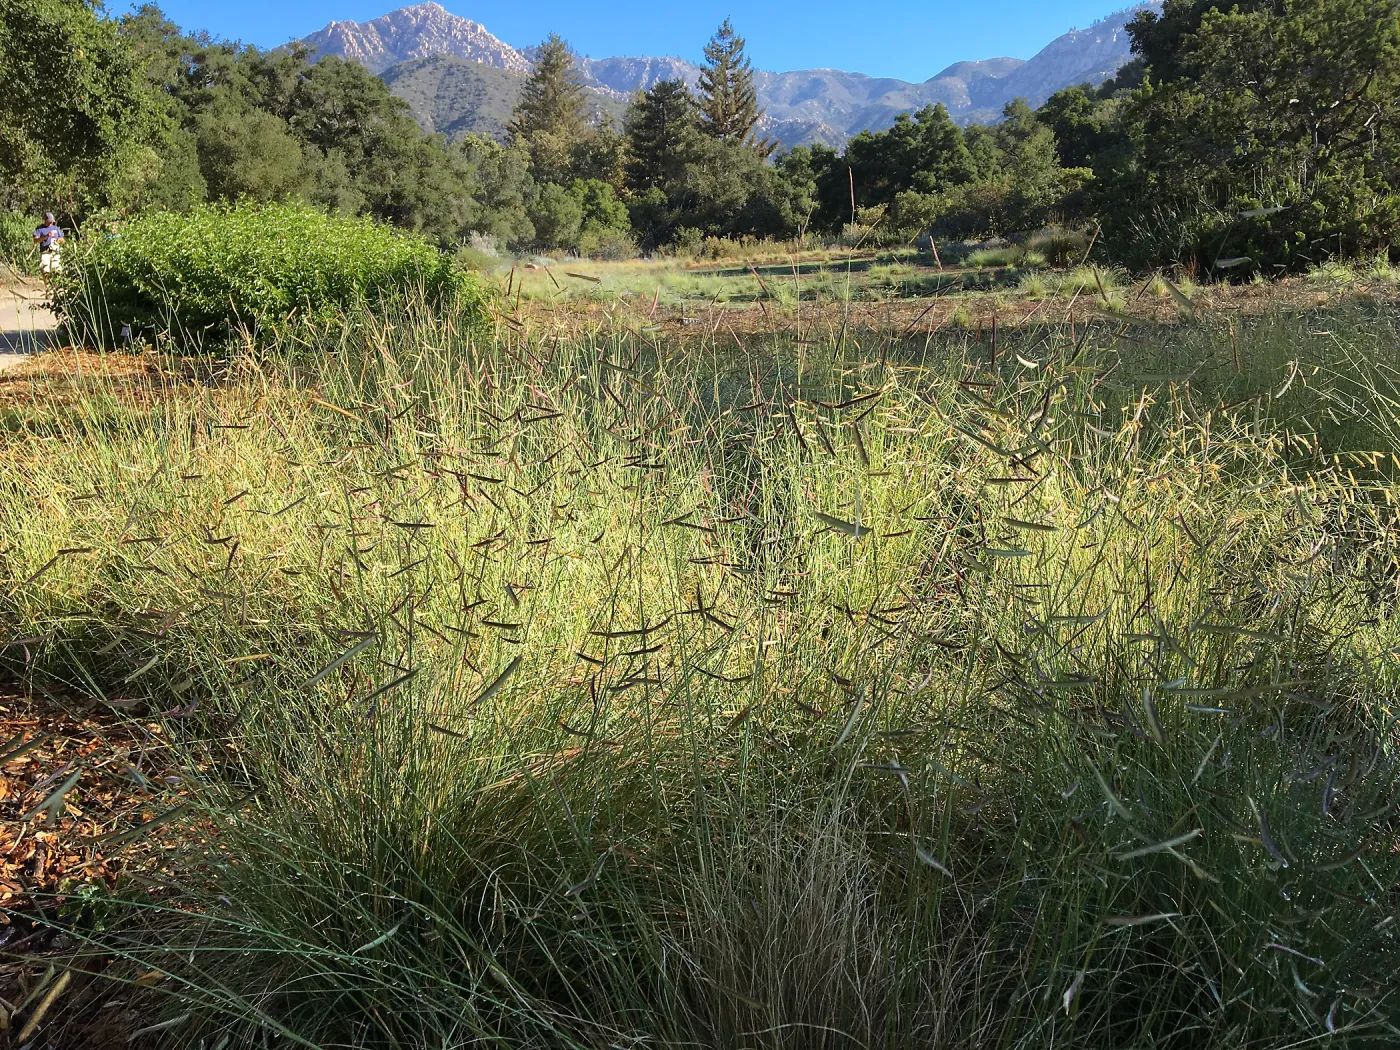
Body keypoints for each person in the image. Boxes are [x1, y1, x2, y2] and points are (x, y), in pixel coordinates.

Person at [33, 212, 64, 277]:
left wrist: (59, 240)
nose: (51, 223)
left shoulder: (56, 228)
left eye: (52, 221)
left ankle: (55, 286)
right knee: (45, 270)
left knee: (56, 270)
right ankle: (47, 286)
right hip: (45, 252)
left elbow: (63, 240)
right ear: (45, 220)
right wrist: (46, 236)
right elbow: (35, 240)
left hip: (55, 252)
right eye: (49, 221)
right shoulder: (39, 229)